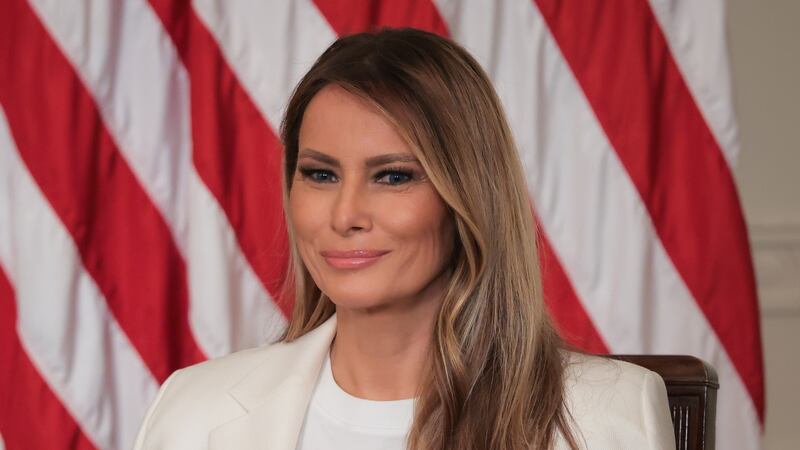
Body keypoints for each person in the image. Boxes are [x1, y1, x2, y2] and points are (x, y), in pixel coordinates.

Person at [133, 28, 675, 450]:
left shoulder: (608, 414)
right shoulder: (193, 412)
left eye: (392, 176)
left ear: (467, 195)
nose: (345, 215)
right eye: (320, 174)